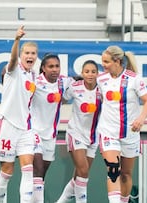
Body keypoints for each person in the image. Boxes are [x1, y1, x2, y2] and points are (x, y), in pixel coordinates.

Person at [97, 45, 147, 203]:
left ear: (117, 61)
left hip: (130, 133)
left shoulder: (134, 79)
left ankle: (124, 200)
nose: (103, 65)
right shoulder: (101, 80)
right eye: (102, 61)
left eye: (106, 62)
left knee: (126, 174)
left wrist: (141, 119)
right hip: (108, 132)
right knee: (113, 170)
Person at [0, 25, 38, 203]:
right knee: (7, 171)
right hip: (7, 124)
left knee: (28, 168)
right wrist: (17, 40)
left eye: (33, 53)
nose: (30, 56)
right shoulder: (13, 69)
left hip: (25, 128)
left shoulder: (33, 76)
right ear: (21, 55)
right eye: (27, 53)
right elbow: (11, 60)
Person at [56, 60, 101, 203]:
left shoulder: (102, 89)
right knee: (83, 171)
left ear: (97, 74)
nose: (90, 74)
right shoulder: (75, 87)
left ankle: (61, 201)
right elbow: (59, 101)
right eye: (87, 71)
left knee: (80, 175)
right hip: (75, 133)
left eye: (93, 71)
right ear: (82, 73)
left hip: (94, 137)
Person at [30, 53, 73, 203]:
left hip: (50, 135)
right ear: (43, 68)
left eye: (57, 66)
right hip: (33, 132)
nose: (55, 69)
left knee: (40, 177)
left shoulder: (64, 82)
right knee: (38, 170)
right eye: (51, 66)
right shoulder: (34, 81)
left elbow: (82, 83)